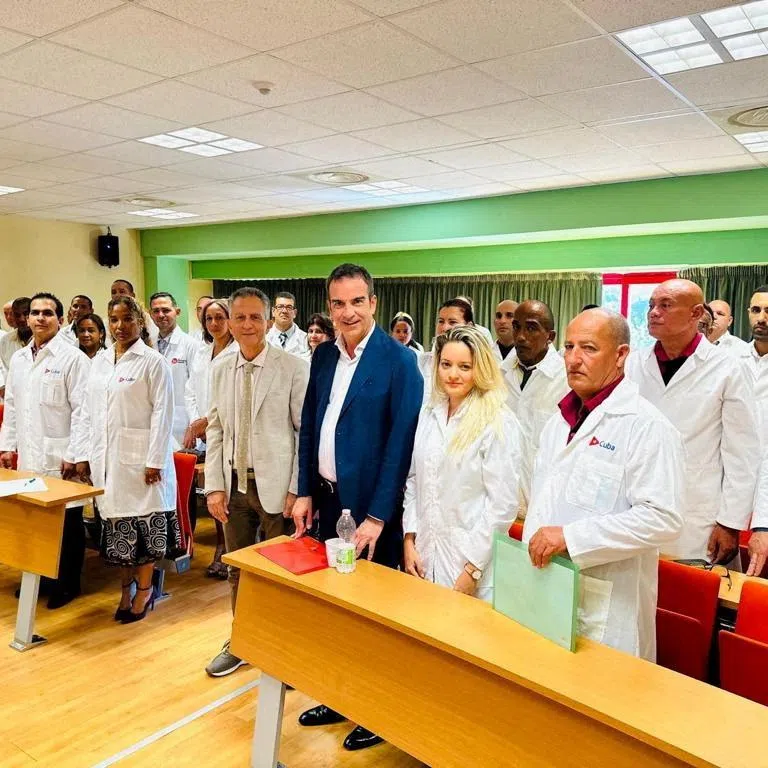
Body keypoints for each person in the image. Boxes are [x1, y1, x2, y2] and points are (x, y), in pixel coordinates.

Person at [292, 263, 422, 752]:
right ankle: (341, 695)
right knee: (337, 610)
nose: (348, 313)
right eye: (338, 304)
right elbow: (311, 424)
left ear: (373, 303)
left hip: (372, 513)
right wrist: (304, 489)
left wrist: (377, 516)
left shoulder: (398, 362)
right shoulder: (323, 356)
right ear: (329, 307)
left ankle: (377, 709)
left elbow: (400, 445)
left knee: (374, 616)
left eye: (357, 302)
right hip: (327, 501)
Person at [524, 309, 684, 661]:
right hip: (547, 590)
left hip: (608, 610)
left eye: (589, 348)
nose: (574, 359)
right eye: (568, 346)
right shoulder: (558, 422)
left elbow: (663, 518)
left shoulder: (646, 426)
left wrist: (571, 537)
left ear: (621, 355)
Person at [204, 287, 308, 677]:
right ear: (229, 323)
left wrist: (296, 490)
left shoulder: (293, 367)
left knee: (281, 574)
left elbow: (303, 435)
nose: (247, 325)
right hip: (234, 488)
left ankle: (285, 648)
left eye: (255, 318)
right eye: (240, 317)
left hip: (278, 490)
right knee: (238, 570)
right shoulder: (219, 368)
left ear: (268, 321)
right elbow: (215, 430)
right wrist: (214, 486)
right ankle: (243, 639)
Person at [625, 279, 759, 562]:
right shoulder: (633, 364)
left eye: (665, 305)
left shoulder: (727, 368)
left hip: (697, 516)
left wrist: (730, 523)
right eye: (651, 305)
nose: (653, 312)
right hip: (634, 509)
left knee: (688, 596)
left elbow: (742, 454)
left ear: (696, 314)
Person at [403, 326, 521, 602]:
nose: (453, 374)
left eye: (464, 366)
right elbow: (414, 480)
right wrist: (410, 539)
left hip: (469, 565)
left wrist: (472, 569)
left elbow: (502, 507)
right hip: (424, 555)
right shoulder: (430, 413)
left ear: (480, 368)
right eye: (446, 364)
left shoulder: (498, 421)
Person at [83, 296, 181, 623]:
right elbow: (88, 413)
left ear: (140, 321)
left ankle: (144, 591)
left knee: (143, 534)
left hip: (142, 465)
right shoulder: (99, 362)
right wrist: (84, 455)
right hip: (107, 464)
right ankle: (124, 590)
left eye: (127, 319)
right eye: (114, 319)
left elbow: (163, 415)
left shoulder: (152, 362)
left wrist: (155, 460)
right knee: (119, 534)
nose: (120, 326)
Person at [0, 292, 91, 609]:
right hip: (29, 454)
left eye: (48, 313)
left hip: (61, 456)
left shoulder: (73, 359)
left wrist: (74, 452)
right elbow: (11, 406)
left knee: (67, 522)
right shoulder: (20, 360)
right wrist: (7, 446)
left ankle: (67, 584)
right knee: (34, 520)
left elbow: (83, 411)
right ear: (27, 319)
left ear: (61, 319)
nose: (40, 318)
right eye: (35, 313)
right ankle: (38, 578)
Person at [183, 299, 237, 580]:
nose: (214, 324)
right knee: (213, 491)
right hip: (206, 432)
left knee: (228, 492)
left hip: (230, 431)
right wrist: (196, 420)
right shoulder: (202, 353)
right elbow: (190, 388)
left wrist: (208, 420)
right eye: (209, 319)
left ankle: (227, 548)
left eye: (220, 317)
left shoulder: (239, 352)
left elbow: (232, 396)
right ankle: (222, 546)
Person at [504, 300, 568, 516]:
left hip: (545, 509)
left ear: (550, 337)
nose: (521, 336)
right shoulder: (497, 376)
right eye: (517, 327)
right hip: (501, 505)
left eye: (531, 328)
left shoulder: (567, 382)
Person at [738, 287, 768, 576]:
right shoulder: (732, 359)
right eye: (756, 310)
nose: (761, 318)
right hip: (734, 483)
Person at [149, 291, 199, 449]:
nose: (161, 314)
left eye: (166, 310)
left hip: (182, 424)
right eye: (156, 311)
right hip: (154, 423)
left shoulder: (191, 345)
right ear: (150, 315)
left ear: (177, 312)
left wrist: (194, 425)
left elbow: (197, 389)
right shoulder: (147, 346)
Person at [418, 298, 476, 403]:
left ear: (469, 326)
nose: (444, 328)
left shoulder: (478, 362)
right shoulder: (422, 361)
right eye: (441, 321)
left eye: (452, 322)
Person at [0, 297, 32, 399]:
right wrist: (2, 385)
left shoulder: (44, 339)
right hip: (13, 394)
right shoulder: (5, 340)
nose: (22, 319)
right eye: (17, 315)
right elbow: (3, 367)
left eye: (26, 314)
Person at [110, 279, 159, 345]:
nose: (117, 295)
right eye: (114, 292)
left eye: (122, 291)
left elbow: (153, 339)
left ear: (132, 295)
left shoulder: (146, 318)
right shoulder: (107, 320)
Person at [266, 291, 311, 360]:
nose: (284, 311)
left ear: (295, 313)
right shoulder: (264, 338)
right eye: (280, 307)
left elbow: (306, 367)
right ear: (273, 311)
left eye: (289, 307)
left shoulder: (305, 339)